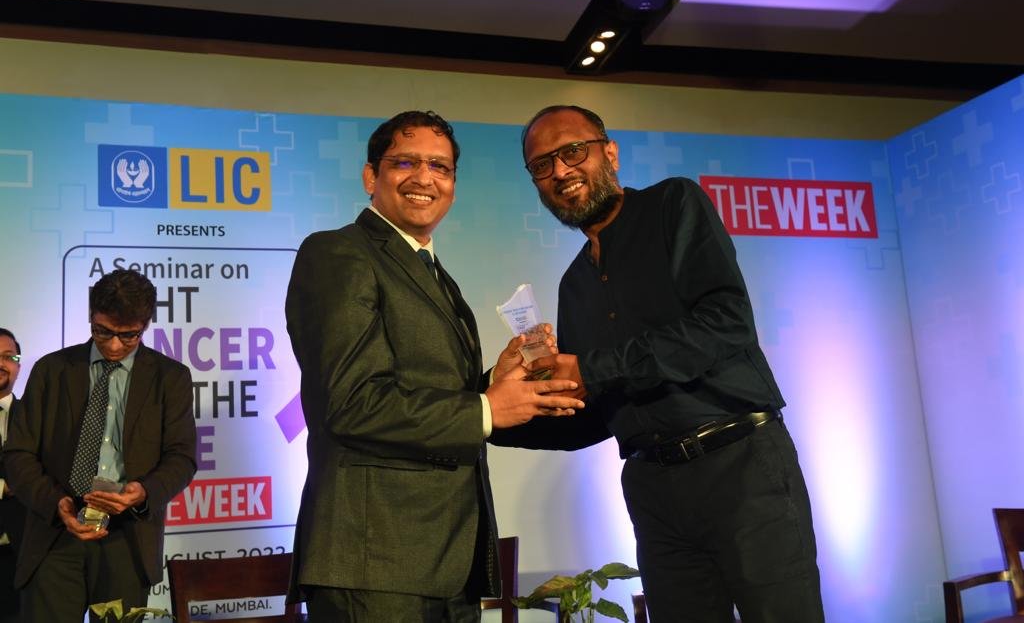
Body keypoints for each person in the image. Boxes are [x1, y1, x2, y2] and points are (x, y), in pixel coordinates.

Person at [491, 105, 825, 623]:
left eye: (572, 151)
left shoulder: (673, 203)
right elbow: (591, 418)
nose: (559, 171)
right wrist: (491, 411)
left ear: (610, 152)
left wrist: (592, 368)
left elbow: (726, 323)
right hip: (653, 489)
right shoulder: (574, 285)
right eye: (541, 165)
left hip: (740, 464)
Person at [284, 109, 585, 623]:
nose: (424, 178)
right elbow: (353, 404)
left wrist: (495, 382)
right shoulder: (338, 253)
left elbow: (423, 389)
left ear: (453, 185)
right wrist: (485, 410)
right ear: (370, 176)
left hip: (446, 560)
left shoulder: (431, 270)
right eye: (406, 162)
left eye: (440, 167)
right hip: (375, 562)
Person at [4, 270, 197, 621]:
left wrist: (142, 492)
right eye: (103, 331)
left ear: (145, 325)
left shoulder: (170, 377)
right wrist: (56, 503)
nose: (113, 346)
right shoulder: (51, 370)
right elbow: (18, 454)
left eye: (128, 336)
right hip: (54, 535)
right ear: (91, 316)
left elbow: (182, 457)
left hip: (128, 539)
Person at [0, 328, 26, 623]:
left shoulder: (36, 416)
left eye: (9, 357)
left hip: (23, 557)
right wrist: (4, 487)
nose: (1, 364)